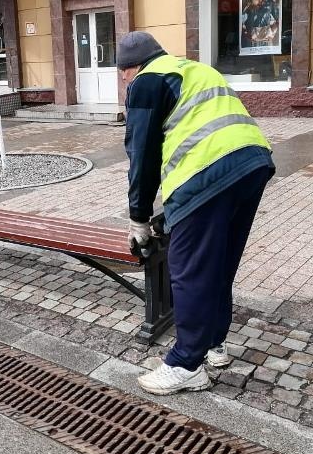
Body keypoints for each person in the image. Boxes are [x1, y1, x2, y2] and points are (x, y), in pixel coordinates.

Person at [118, 31, 275, 395]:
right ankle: (215, 344)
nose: (125, 81)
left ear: (129, 69)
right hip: (252, 163)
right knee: (217, 264)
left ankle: (186, 364)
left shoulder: (145, 81)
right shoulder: (195, 69)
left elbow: (141, 154)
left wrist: (138, 217)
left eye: (123, 75)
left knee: (187, 268)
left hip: (205, 173)